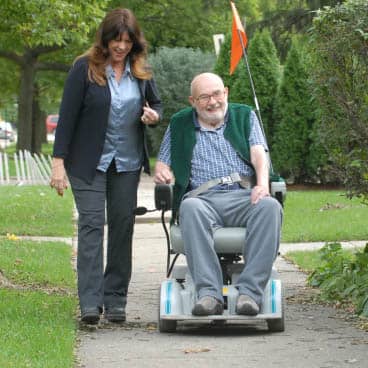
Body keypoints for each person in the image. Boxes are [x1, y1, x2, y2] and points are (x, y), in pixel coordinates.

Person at [50, 8, 162, 324]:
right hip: (87, 163)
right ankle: (89, 302)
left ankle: (115, 301)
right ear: (105, 39)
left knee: (122, 227)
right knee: (91, 225)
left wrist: (153, 117)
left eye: (127, 41)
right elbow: (67, 117)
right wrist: (58, 163)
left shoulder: (141, 71)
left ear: (134, 43)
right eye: (116, 40)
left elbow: (156, 104)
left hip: (126, 164)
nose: (121, 47)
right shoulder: (84, 69)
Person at [154, 72, 282, 316]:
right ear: (193, 101)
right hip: (202, 200)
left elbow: (258, 154)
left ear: (226, 93)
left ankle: (250, 294)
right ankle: (209, 294)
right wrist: (162, 172)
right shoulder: (180, 123)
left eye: (216, 94)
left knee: (269, 207)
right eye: (204, 97)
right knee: (189, 207)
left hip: (243, 196)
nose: (212, 102)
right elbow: (162, 164)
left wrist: (262, 185)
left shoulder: (244, 115)